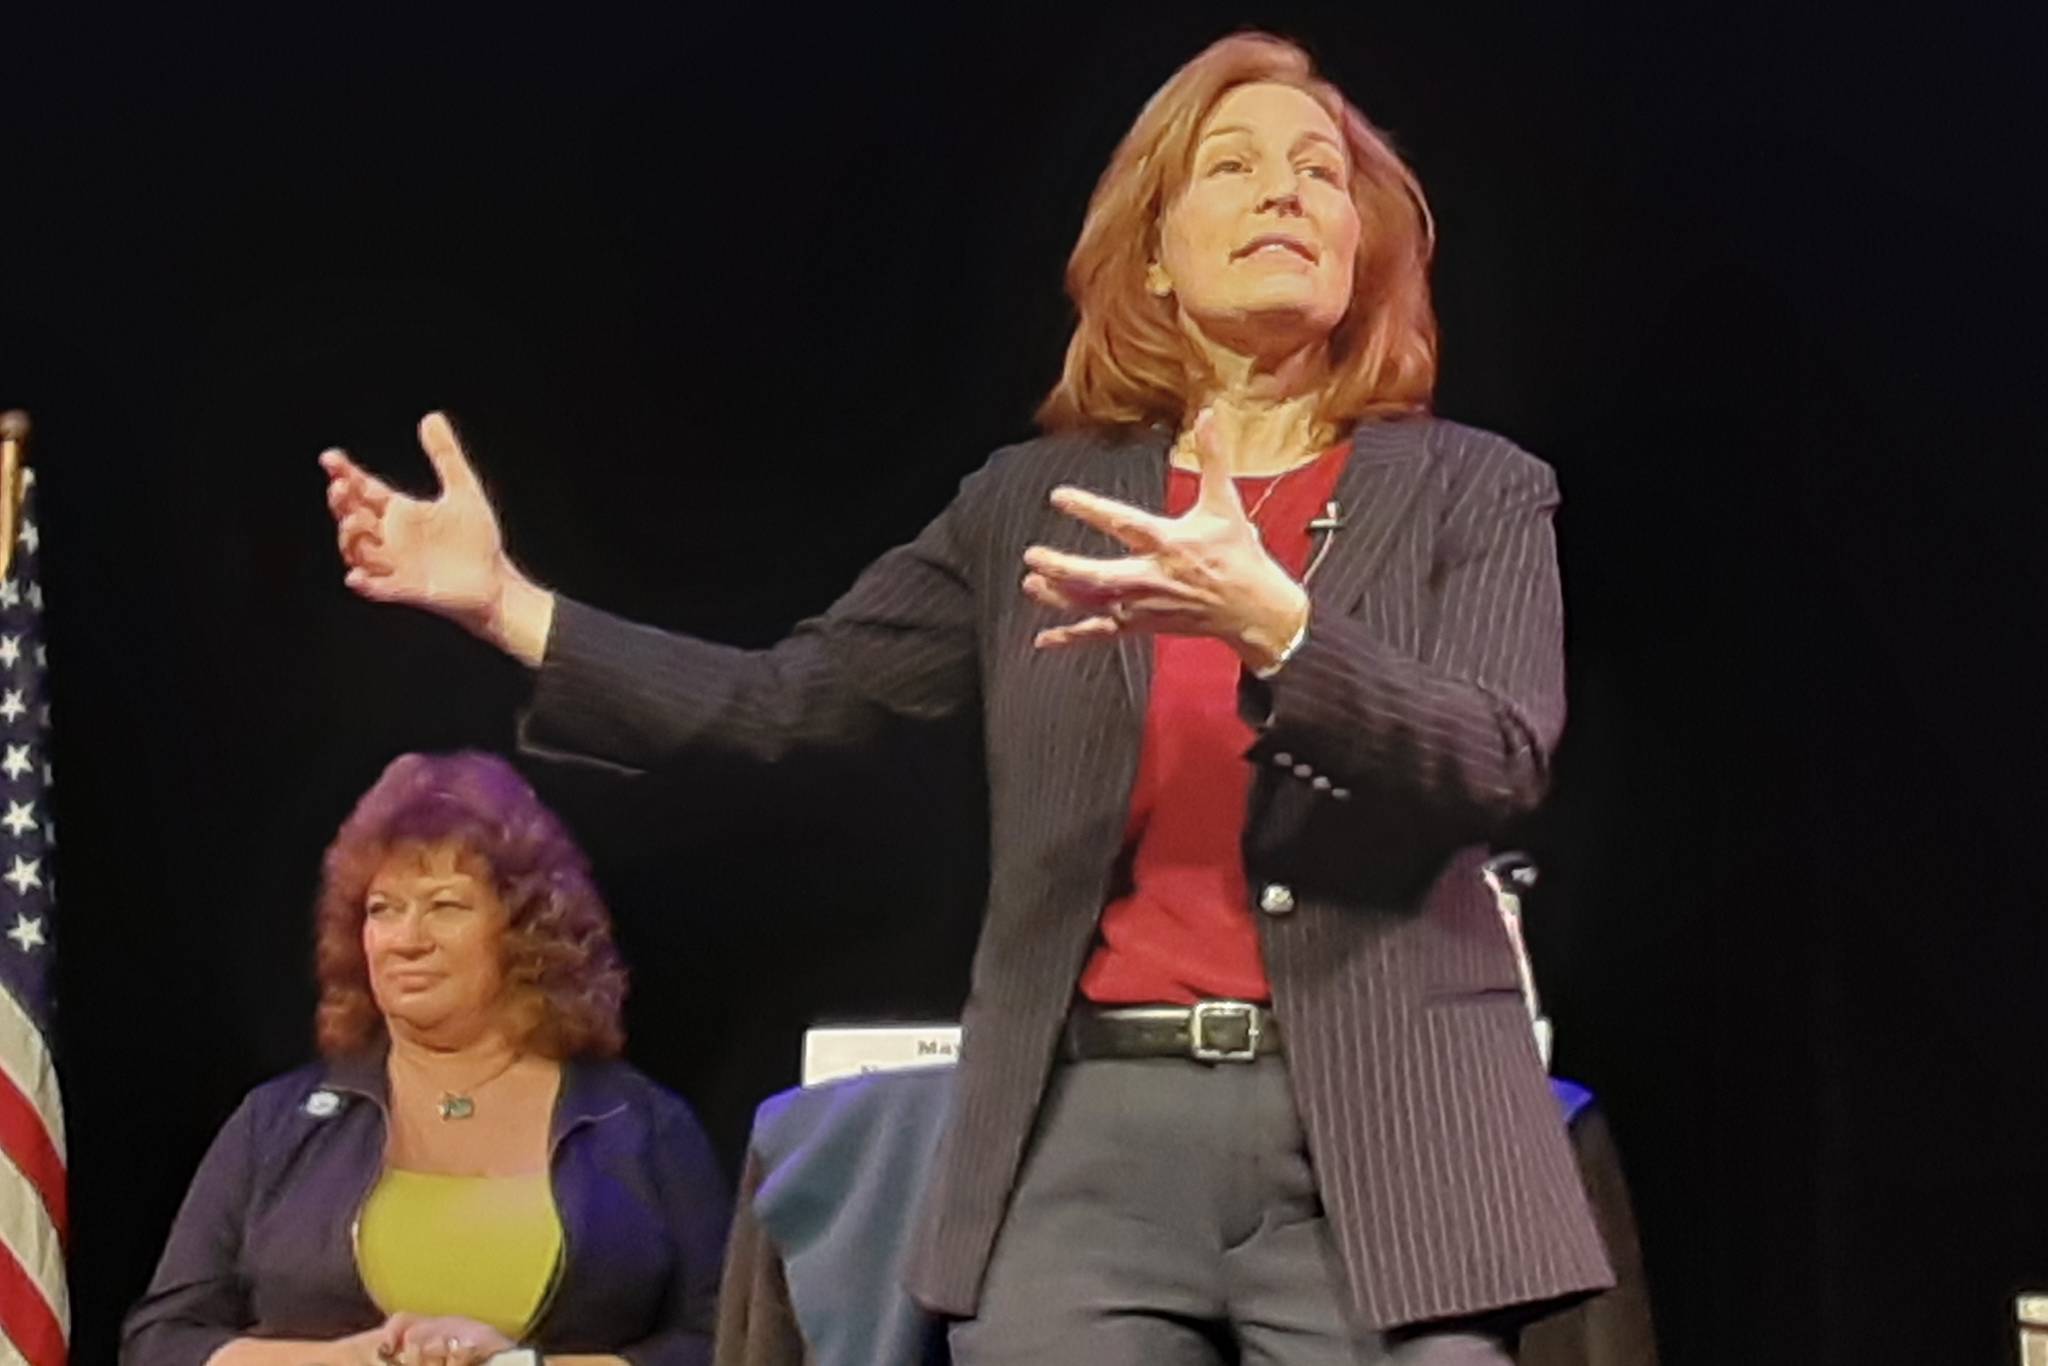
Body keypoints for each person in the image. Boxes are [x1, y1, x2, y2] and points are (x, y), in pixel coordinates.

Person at [318, 31, 1611, 1365]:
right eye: (1233, 165)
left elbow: (1499, 752)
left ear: (1363, 246)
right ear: (1154, 256)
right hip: (1092, 1142)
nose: (1287, 191)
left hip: (1382, 1139)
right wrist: (504, 605)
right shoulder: (1029, 508)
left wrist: (1279, 627)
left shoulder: (1476, 490)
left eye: (1319, 172)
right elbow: (783, 702)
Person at [122, 752, 728, 1366]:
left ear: (525, 934)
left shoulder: (639, 1124)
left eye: (445, 906)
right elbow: (162, 1343)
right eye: (383, 909)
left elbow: (726, 1342)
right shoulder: (275, 1125)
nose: (406, 940)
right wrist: (353, 1361)